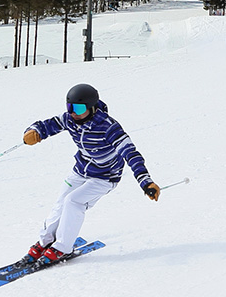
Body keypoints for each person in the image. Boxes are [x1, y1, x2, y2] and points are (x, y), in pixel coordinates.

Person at [19, 83, 160, 267]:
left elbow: (131, 153)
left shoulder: (108, 127)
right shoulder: (69, 119)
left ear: (92, 107)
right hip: (81, 170)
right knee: (61, 203)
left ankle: (62, 247)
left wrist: (146, 182)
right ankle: (45, 241)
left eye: (78, 108)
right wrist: (34, 132)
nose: (73, 113)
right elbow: (47, 125)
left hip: (105, 177)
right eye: (69, 107)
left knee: (73, 202)